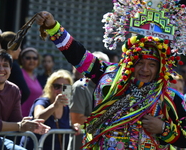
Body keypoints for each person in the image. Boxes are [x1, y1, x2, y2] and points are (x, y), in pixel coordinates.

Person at [34, 5, 186, 149]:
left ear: (160, 67)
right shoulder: (109, 76)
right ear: (131, 61)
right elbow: (78, 55)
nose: (145, 69)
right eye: (140, 63)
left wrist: (163, 128)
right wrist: (54, 28)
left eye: (152, 65)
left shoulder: (169, 98)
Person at [0, 49, 50, 150]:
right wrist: (20, 125)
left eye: (5, 65)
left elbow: (15, 121)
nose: (1, 69)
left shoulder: (14, 89)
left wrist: (30, 125)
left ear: (11, 70)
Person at [20, 69, 80, 150]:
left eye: (66, 87)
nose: (61, 90)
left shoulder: (66, 108)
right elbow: (38, 118)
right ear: (50, 87)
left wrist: (74, 127)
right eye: (57, 86)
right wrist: (55, 105)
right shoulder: (42, 101)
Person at [70, 51, 110, 150]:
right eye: (96, 66)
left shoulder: (110, 88)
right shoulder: (80, 87)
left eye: (104, 66)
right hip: (82, 144)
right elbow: (76, 119)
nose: (101, 69)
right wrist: (107, 122)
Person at [0, 31, 30, 104]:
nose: (20, 50)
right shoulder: (13, 66)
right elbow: (26, 92)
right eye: (19, 47)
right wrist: (12, 107)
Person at [19, 47, 43, 117]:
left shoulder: (35, 77)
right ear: (22, 60)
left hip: (32, 117)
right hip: (21, 118)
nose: (32, 60)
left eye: (35, 58)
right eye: (28, 58)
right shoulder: (19, 73)